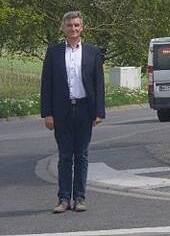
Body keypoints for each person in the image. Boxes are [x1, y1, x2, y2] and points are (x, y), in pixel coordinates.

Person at [41, 11, 105, 213]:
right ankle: (63, 199)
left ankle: (79, 198)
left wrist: (99, 111)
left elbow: (99, 84)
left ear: (82, 27)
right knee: (65, 156)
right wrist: (47, 113)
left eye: (77, 25)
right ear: (63, 28)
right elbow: (46, 85)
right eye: (69, 25)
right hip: (62, 111)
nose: (73, 29)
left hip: (85, 109)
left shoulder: (92, 53)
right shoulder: (54, 52)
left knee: (82, 155)